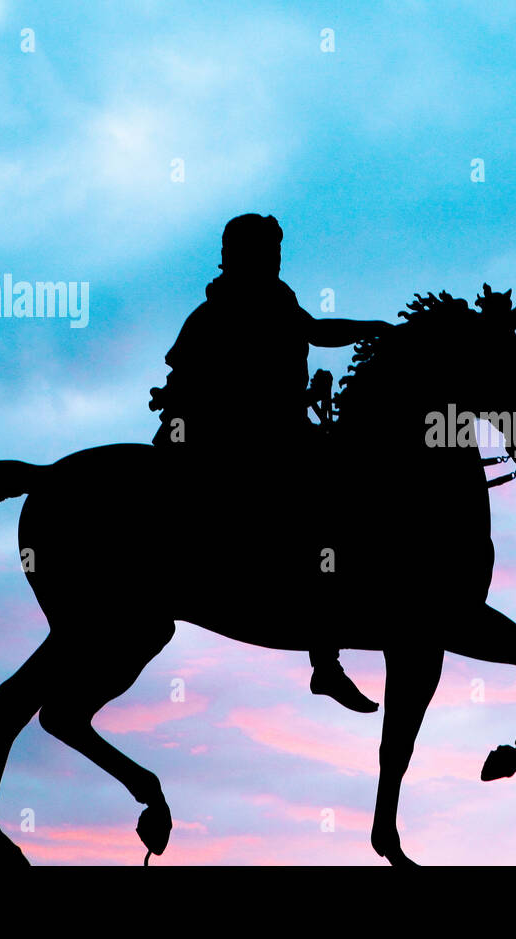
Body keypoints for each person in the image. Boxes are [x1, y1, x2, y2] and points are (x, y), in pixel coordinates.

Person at [149, 213, 390, 713]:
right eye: (267, 251)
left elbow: (318, 331)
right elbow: (205, 387)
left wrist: (374, 329)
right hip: (234, 442)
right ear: (242, 254)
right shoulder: (219, 312)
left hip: (279, 432)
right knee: (329, 514)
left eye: (278, 251)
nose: (276, 260)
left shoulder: (277, 300)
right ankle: (324, 659)